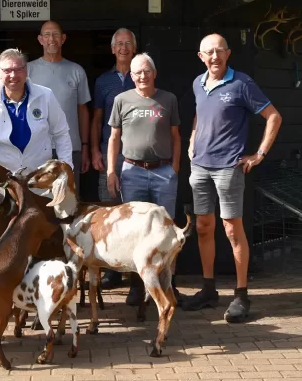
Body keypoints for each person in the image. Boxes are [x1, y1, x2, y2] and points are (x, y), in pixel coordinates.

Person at [183, 33, 282, 323]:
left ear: (228, 54)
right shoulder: (197, 83)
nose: (214, 57)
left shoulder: (242, 83)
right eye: (208, 53)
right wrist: (192, 139)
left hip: (228, 167)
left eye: (219, 51)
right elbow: (200, 116)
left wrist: (259, 154)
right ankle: (209, 290)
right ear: (200, 56)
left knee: (230, 229)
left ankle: (241, 295)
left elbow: (273, 116)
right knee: (203, 226)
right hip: (199, 167)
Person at [107, 53, 182, 306]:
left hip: (163, 172)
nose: (142, 76)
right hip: (132, 172)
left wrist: (175, 168)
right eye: (137, 72)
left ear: (154, 73)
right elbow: (114, 138)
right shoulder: (121, 100)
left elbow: (176, 137)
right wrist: (111, 171)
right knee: (134, 232)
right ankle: (137, 287)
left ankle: (169, 285)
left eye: (146, 71)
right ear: (131, 75)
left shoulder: (168, 99)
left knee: (167, 231)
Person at [0, 47, 73, 175]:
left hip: (40, 179)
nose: (13, 75)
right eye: (7, 70)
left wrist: (67, 170)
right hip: (4, 183)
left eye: (19, 69)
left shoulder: (46, 96)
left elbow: (61, 134)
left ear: (26, 70)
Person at [91, 28, 136, 290]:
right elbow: (97, 118)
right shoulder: (103, 81)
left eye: (128, 43)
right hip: (109, 154)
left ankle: (134, 271)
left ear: (134, 47)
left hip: (136, 155)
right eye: (118, 43)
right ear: (112, 49)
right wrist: (95, 150)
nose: (123, 48)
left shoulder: (143, 74)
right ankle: (112, 271)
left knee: (132, 212)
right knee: (108, 213)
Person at [27, 21, 90, 194]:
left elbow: (82, 111)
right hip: (36, 148)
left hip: (70, 148)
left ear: (63, 39)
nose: (51, 39)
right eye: (47, 35)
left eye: (55, 35)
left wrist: (85, 146)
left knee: (68, 198)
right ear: (40, 39)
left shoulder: (76, 71)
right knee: (38, 200)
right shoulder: (27, 71)